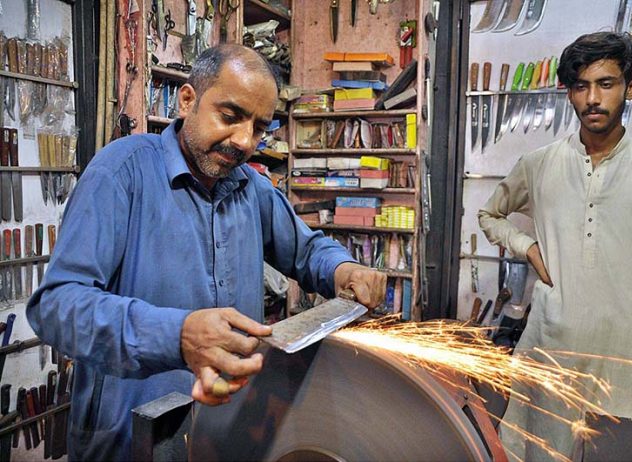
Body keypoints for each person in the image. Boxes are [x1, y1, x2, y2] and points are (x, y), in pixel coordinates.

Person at [27, 44, 386, 460]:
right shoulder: (120, 173)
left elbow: (307, 249)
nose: (244, 141)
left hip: (223, 434)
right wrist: (175, 336)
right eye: (230, 117)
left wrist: (342, 269)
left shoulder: (251, 188)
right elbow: (55, 307)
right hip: (128, 438)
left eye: (259, 127)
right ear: (187, 100)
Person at [478, 32, 632, 460]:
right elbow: (490, 215)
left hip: (624, 366)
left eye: (606, 84)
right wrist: (527, 247)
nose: (592, 98)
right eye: (581, 86)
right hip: (551, 354)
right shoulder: (540, 165)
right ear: (569, 93)